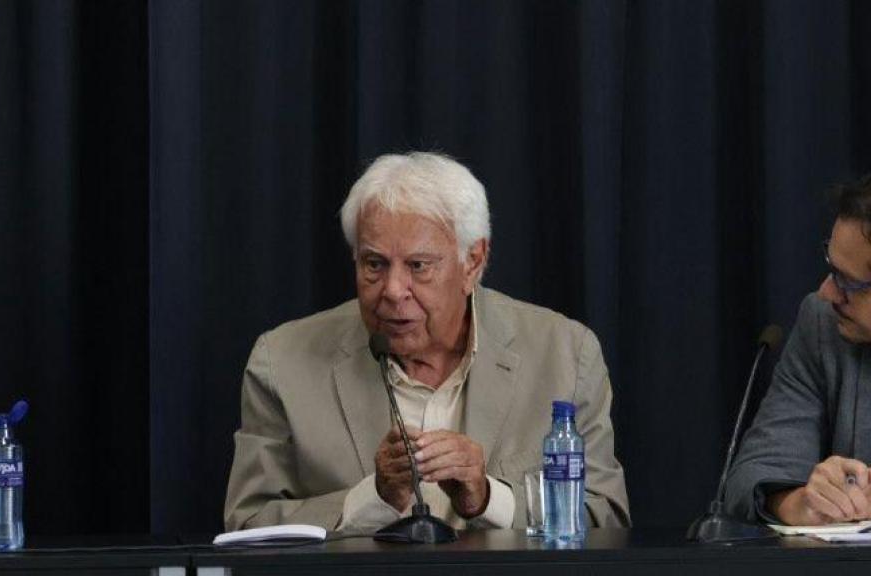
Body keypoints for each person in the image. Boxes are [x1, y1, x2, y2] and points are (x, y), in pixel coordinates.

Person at [224, 152, 630, 532]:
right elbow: (249, 523)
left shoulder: (565, 355)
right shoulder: (282, 363)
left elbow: (605, 519)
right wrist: (371, 499)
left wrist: (490, 500)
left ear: (472, 263)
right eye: (374, 264)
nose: (393, 290)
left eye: (418, 266)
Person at [726, 174, 871, 526]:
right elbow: (752, 473)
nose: (827, 292)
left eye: (847, 282)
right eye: (832, 269)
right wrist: (800, 502)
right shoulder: (822, 324)